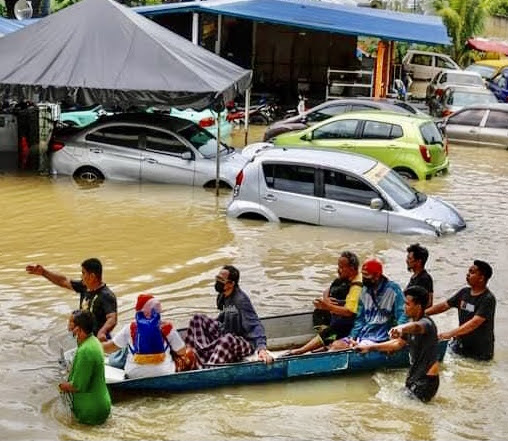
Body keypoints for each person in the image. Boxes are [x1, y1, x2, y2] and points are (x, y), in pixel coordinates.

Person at [355, 286, 440, 402]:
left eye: (407, 304)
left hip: (426, 380)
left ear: (418, 307)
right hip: (415, 376)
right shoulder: (411, 323)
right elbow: (398, 343)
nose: (404, 307)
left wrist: (400, 328)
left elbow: (416, 327)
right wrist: (370, 347)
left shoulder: (426, 323)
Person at [185, 265, 273, 368]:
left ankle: (207, 369)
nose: (218, 282)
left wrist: (262, 349)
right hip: (226, 332)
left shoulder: (240, 301)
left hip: (243, 342)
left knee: (227, 339)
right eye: (217, 278)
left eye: (221, 280)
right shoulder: (222, 295)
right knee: (197, 319)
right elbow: (223, 315)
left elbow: (255, 326)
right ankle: (191, 358)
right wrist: (207, 327)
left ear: (231, 284)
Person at [287, 251, 362, 355]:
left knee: (338, 326)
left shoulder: (357, 286)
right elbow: (327, 290)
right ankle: (327, 343)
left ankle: (301, 350)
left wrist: (329, 307)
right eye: (338, 266)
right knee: (319, 313)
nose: (338, 270)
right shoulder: (344, 279)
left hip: (354, 321)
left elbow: (349, 312)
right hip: (338, 312)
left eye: (341, 267)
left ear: (352, 269)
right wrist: (326, 300)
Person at [103, 294, 194, 378]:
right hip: (165, 373)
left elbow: (109, 348)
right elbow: (181, 352)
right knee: (190, 353)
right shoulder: (166, 327)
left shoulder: (130, 328)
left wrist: (94, 342)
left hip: (133, 374)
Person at [26, 258, 117, 341]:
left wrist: (102, 332)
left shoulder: (107, 295)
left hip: (98, 339)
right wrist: (44, 272)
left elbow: (112, 318)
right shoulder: (84, 287)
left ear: (92, 276)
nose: (81, 276)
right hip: (83, 336)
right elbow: (63, 281)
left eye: (83, 273)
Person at [329, 258, 407, 350]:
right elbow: (360, 319)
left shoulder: (393, 290)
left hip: (380, 337)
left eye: (366, 275)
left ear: (377, 275)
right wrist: (352, 337)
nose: (363, 278)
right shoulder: (364, 290)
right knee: (336, 344)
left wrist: (397, 333)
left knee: (335, 342)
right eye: (363, 275)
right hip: (363, 334)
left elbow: (402, 314)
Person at [426, 260, 496, 361]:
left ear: (481, 278)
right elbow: (444, 305)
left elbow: (474, 323)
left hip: (480, 353)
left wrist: (450, 333)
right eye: (468, 271)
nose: (468, 274)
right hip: (461, 345)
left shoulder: (488, 299)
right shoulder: (464, 292)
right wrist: (423, 313)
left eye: (472, 272)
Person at [59, 310, 111, 425]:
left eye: (70, 323)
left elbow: (77, 386)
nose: (68, 327)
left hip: (89, 411)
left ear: (78, 329)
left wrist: (60, 386)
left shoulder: (85, 351)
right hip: (100, 404)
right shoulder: (94, 341)